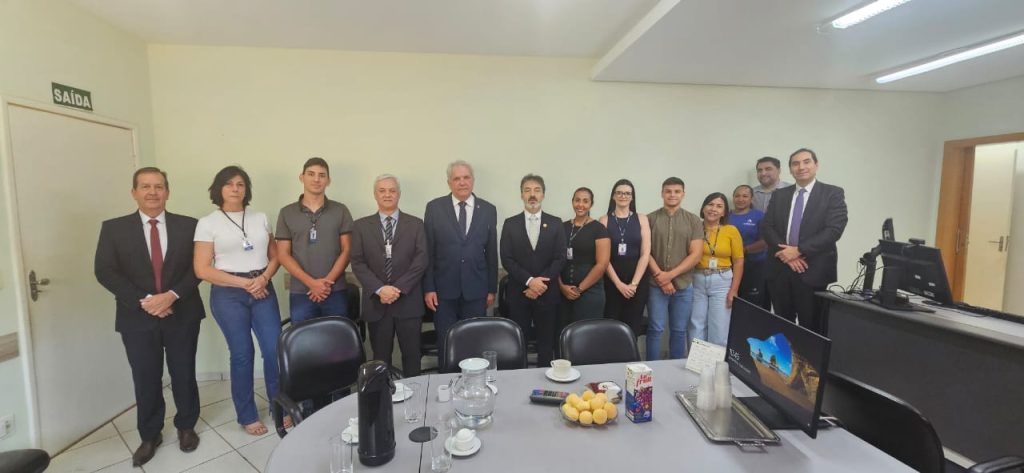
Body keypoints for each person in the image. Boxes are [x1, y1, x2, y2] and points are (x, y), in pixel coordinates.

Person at [94, 167, 204, 466]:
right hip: (136, 316)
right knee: (145, 377)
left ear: (167, 191)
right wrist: (145, 302)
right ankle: (150, 434)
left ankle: (186, 426)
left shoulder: (189, 226)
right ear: (134, 192)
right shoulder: (114, 228)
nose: (153, 192)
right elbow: (105, 271)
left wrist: (171, 296)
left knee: (184, 372)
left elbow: (199, 267)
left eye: (159, 186)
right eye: (145, 186)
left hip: (182, 311)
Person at [193, 165, 285, 436]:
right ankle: (247, 415)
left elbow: (276, 255)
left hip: (263, 289)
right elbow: (202, 269)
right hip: (229, 292)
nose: (235, 189)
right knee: (243, 354)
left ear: (247, 189)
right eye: (229, 184)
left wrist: (263, 278)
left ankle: (280, 407)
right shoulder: (208, 223)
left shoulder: (260, 218)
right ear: (218, 188)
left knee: (274, 350)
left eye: (241, 184)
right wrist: (246, 283)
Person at [762, 148, 848, 333]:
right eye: (795, 163)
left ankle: (809, 363)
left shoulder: (832, 193)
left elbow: (834, 230)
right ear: (790, 170)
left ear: (816, 165)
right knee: (781, 327)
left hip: (813, 270)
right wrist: (788, 255)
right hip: (780, 269)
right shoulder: (780, 195)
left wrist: (799, 250)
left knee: (811, 329)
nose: (801, 167)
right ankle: (785, 363)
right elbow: (767, 227)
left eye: (806, 162)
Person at [350, 174, 428, 377]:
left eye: (392, 190)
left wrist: (398, 288)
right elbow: (357, 262)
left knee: (412, 356)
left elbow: (421, 260)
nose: (387, 194)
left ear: (399, 194)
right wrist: (380, 289)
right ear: (375, 195)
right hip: (377, 303)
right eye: (382, 190)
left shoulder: (416, 224)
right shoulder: (360, 227)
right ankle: (382, 402)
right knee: (379, 358)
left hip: (408, 302)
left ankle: (415, 402)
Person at [422, 160, 498, 352]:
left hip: (476, 289)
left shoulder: (488, 209)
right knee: (447, 344)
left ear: (473, 180)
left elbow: (491, 252)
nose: (462, 182)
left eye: (466, 177)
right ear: (449, 182)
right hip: (443, 291)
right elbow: (428, 251)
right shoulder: (434, 208)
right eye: (457, 178)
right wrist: (428, 288)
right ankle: (447, 382)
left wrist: (491, 289)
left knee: (474, 344)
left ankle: (474, 383)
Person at [275, 157, 354, 323]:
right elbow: (283, 254)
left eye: (322, 175)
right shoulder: (286, 213)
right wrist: (311, 283)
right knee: (304, 344)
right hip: (301, 292)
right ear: (301, 177)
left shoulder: (341, 210)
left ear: (328, 180)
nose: (316, 179)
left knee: (337, 343)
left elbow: (347, 250)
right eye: (311, 174)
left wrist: (325, 284)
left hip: (335, 290)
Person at [500, 174, 567, 367]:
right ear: (521, 195)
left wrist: (540, 283)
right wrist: (530, 281)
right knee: (518, 342)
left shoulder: (555, 223)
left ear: (543, 195)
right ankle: (519, 379)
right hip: (519, 293)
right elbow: (507, 259)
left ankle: (545, 382)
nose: (532, 195)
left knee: (546, 343)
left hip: (547, 294)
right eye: (528, 190)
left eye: (537, 190)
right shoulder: (510, 224)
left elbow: (560, 257)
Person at [646, 177, 703, 360]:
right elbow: (645, 252)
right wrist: (660, 277)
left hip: (684, 285)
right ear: (662, 193)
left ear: (683, 194)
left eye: (677, 191)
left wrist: (669, 276)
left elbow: (696, 255)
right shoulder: (650, 219)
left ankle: (676, 371)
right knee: (656, 329)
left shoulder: (693, 220)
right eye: (668, 191)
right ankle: (650, 371)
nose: (672, 195)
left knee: (679, 331)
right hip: (656, 285)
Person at [689, 193, 744, 347]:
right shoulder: (695, 227)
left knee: (719, 329)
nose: (713, 209)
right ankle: (696, 365)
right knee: (696, 326)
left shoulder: (731, 230)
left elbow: (739, 261)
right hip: (697, 279)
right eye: (710, 204)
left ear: (724, 212)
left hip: (722, 281)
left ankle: (716, 367)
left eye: (719, 206)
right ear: (704, 207)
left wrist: (734, 290)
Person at [599, 179, 651, 338]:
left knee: (632, 327)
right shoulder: (604, 220)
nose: (623, 196)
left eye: (627, 193)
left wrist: (633, 284)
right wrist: (619, 284)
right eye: (619, 193)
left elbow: (645, 253)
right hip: (612, 282)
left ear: (632, 197)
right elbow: (604, 258)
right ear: (613, 196)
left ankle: (630, 362)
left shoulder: (642, 219)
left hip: (637, 283)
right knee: (611, 327)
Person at [558, 187, 611, 328]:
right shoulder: (561, 227)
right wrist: (561, 286)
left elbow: (602, 264)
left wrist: (579, 289)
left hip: (590, 293)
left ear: (591, 204)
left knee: (586, 336)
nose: (580, 205)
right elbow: (554, 260)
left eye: (585, 201)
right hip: (562, 293)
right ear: (572, 202)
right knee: (562, 334)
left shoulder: (599, 229)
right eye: (577, 200)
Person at [728, 185, 770, 310]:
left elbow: (766, 241)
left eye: (745, 196)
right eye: (737, 196)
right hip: (730, 267)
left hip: (754, 267)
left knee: (752, 304)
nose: (741, 199)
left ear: (751, 198)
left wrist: (743, 251)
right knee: (732, 301)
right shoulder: (726, 216)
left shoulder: (759, 216)